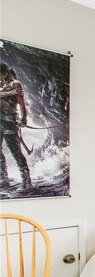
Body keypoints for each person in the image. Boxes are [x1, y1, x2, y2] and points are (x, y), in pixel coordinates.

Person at [0, 62, 32, 190]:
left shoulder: (15, 84)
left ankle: (27, 181)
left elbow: (21, 103)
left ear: (4, 72)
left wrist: (24, 119)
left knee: (15, 151)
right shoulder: (2, 85)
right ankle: (3, 178)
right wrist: (9, 93)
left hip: (10, 121)